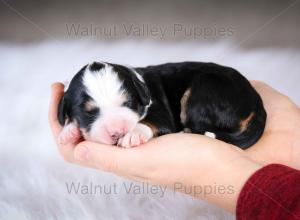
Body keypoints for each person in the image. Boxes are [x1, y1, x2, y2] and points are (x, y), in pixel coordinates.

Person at [49, 81, 300, 219]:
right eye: (90, 114)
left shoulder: (149, 95)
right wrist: (74, 124)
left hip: (220, 95)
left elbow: (160, 118)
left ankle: (211, 129)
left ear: (138, 93)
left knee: (189, 107)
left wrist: (227, 174)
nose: (115, 127)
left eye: (125, 105)